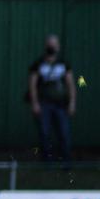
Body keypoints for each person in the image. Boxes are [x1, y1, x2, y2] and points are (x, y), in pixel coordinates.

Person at [27, 34, 76, 164]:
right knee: (44, 133)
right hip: (44, 104)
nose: (52, 46)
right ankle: (47, 161)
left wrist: (72, 103)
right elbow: (32, 85)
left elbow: (71, 84)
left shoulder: (64, 64)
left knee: (64, 133)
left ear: (58, 47)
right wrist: (35, 103)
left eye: (54, 44)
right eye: (50, 44)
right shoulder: (38, 64)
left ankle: (66, 160)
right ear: (45, 46)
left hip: (61, 105)